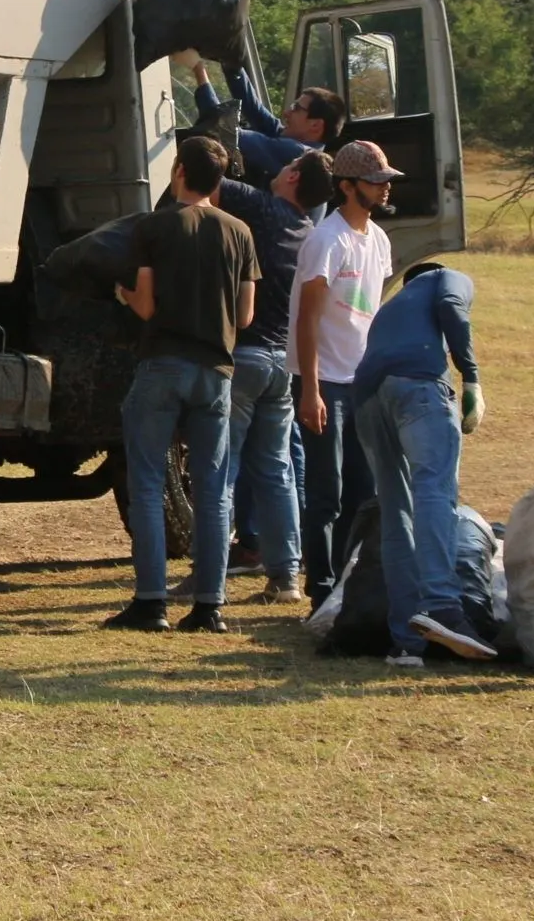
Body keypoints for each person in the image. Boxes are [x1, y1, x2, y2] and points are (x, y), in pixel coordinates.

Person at [103, 135, 260, 633]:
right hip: (216, 373)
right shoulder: (240, 232)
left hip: (163, 364)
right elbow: (247, 314)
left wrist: (123, 294)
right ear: (219, 181)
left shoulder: (155, 227)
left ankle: (150, 603)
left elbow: (146, 306)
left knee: (148, 486)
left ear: (178, 173)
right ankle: (209, 605)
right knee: (214, 492)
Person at [351, 259, 492, 667]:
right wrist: (472, 377)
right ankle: (442, 606)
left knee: (397, 513)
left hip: (367, 399)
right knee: (434, 489)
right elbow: (453, 306)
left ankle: (405, 644)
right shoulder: (444, 278)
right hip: (418, 387)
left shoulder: (390, 309)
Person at [209, 148, 335, 604]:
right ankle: (286, 578)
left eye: (283, 168)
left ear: (293, 175)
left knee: (222, 468)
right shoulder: (309, 233)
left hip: (243, 357)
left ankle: (210, 579)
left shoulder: (264, 209)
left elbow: (208, 177)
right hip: (282, 362)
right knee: (276, 470)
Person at [292, 139, 400, 604]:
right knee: (325, 494)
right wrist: (310, 389)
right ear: (347, 186)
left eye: (385, 181)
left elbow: (372, 314)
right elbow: (307, 319)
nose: (384, 189)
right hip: (325, 384)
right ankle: (320, 589)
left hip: (362, 384)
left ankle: (350, 588)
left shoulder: (378, 240)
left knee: (362, 490)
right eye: (375, 182)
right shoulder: (325, 240)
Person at [192, 58, 349, 184]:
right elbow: (253, 108)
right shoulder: (294, 141)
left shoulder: (297, 154)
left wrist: (197, 68)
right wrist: (229, 58)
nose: (287, 113)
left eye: (296, 108)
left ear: (315, 125)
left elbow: (227, 131)